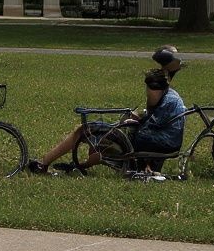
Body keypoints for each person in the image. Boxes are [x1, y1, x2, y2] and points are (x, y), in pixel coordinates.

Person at [27, 67, 186, 178]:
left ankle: (50, 164)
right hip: (153, 138)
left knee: (87, 132)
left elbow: (148, 127)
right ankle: (72, 164)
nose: (147, 95)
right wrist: (137, 118)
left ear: (157, 90)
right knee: (85, 131)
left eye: (149, 92)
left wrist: (132, 122)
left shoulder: (168, 101)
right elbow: (150, 120)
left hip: (157, 141)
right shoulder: (167, 96)